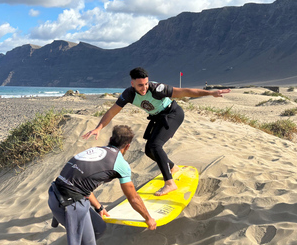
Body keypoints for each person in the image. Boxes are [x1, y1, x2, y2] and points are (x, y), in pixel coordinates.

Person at [82, 67, 231, 196]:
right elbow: (112, 111)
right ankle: (173, 167)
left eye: (146, 84)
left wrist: (210, 93)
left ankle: (170, 183)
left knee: (155, 146)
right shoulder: (128, 94)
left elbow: (184, 91)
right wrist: (98, 128)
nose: (144, 87)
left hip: (173, 114)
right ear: (132, 83)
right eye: (140, 85)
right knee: (149, 150)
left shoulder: (157, 89)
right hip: (158, 117)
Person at [48, 125, 156, 245]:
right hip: (69, 205)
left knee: (99, 227)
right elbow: (133, 198)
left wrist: (99, 207)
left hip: (55, 195)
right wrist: (148, 218)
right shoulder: (121, 164)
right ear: (128, 146)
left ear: (110, 139)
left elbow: (82, 184)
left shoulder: (95, 150)